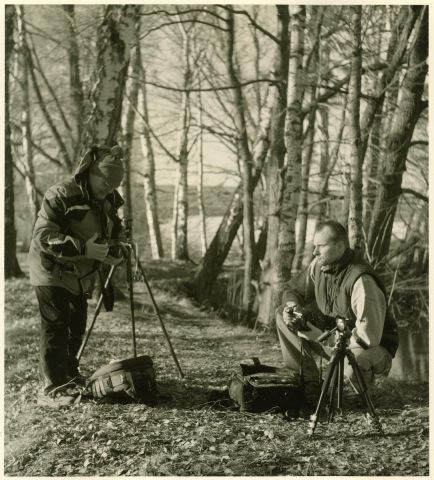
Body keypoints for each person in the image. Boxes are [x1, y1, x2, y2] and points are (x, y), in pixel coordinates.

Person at [29, 144, 125, 408]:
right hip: (50, 269)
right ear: (90, 172)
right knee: (56, 327)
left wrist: (115, 253)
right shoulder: (61, 194)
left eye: (114, 184)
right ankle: (54, 389)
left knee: (76, 328)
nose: (109, 188)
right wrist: (85, 249)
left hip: (79, 275)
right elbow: (44, 237)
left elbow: (117, 235)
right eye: (105, 181)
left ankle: (69, 376)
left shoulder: (110, 201)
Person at [276, 220, 399, 402]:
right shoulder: (318, 266)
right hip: (336, 340)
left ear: (341, 247)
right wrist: (293, 308)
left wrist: (318, 335)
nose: (314, 252)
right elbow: (292, 290)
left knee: (349, 378)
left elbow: (367, 339)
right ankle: (309, 381)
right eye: (314, 246)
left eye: (321, 246)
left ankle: (361, 385)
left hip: (369, 348)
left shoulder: (361, 281)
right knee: (282, 313)